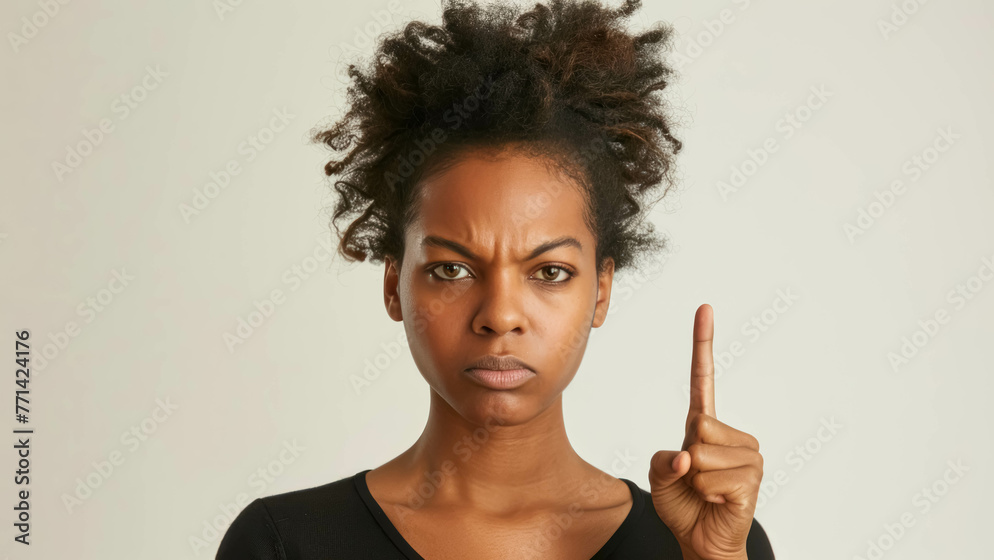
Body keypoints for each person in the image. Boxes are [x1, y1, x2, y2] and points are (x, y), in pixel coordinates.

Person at [217, 0, 774, 558]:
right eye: (452, 269)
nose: (501, 316)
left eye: (550, 272)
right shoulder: (285, 543)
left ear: (601, 290)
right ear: (394, 284)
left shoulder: (702, 538)